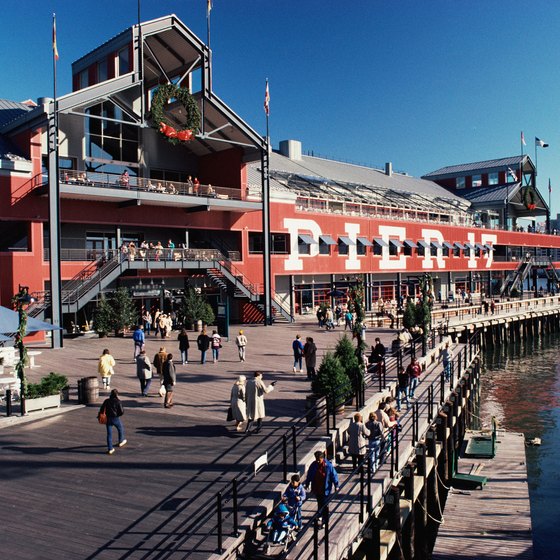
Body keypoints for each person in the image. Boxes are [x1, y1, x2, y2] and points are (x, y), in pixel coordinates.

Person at [304, 450, 339, 528]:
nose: (317, 461)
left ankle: (325, 520)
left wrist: (336, 485)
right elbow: (310, 474)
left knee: (324, 504)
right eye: (316, 459)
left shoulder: (328, 466)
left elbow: (334, 475)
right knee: (319, 502)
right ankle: (319, 514)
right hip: (317, 488)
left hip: (325, 488)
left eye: (318, 460)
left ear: (322, 458)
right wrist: (307, 483)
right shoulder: (314, 465)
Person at [98, 389, 126, 455]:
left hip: (108, 418)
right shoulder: (118, 401)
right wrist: (117, 415)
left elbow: (102, 409)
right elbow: (121, 412)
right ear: (117, 394)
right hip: (115, 418)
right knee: (120, 429)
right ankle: (121, 441)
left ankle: (110, 448)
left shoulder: (106, 401)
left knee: (109, 434)